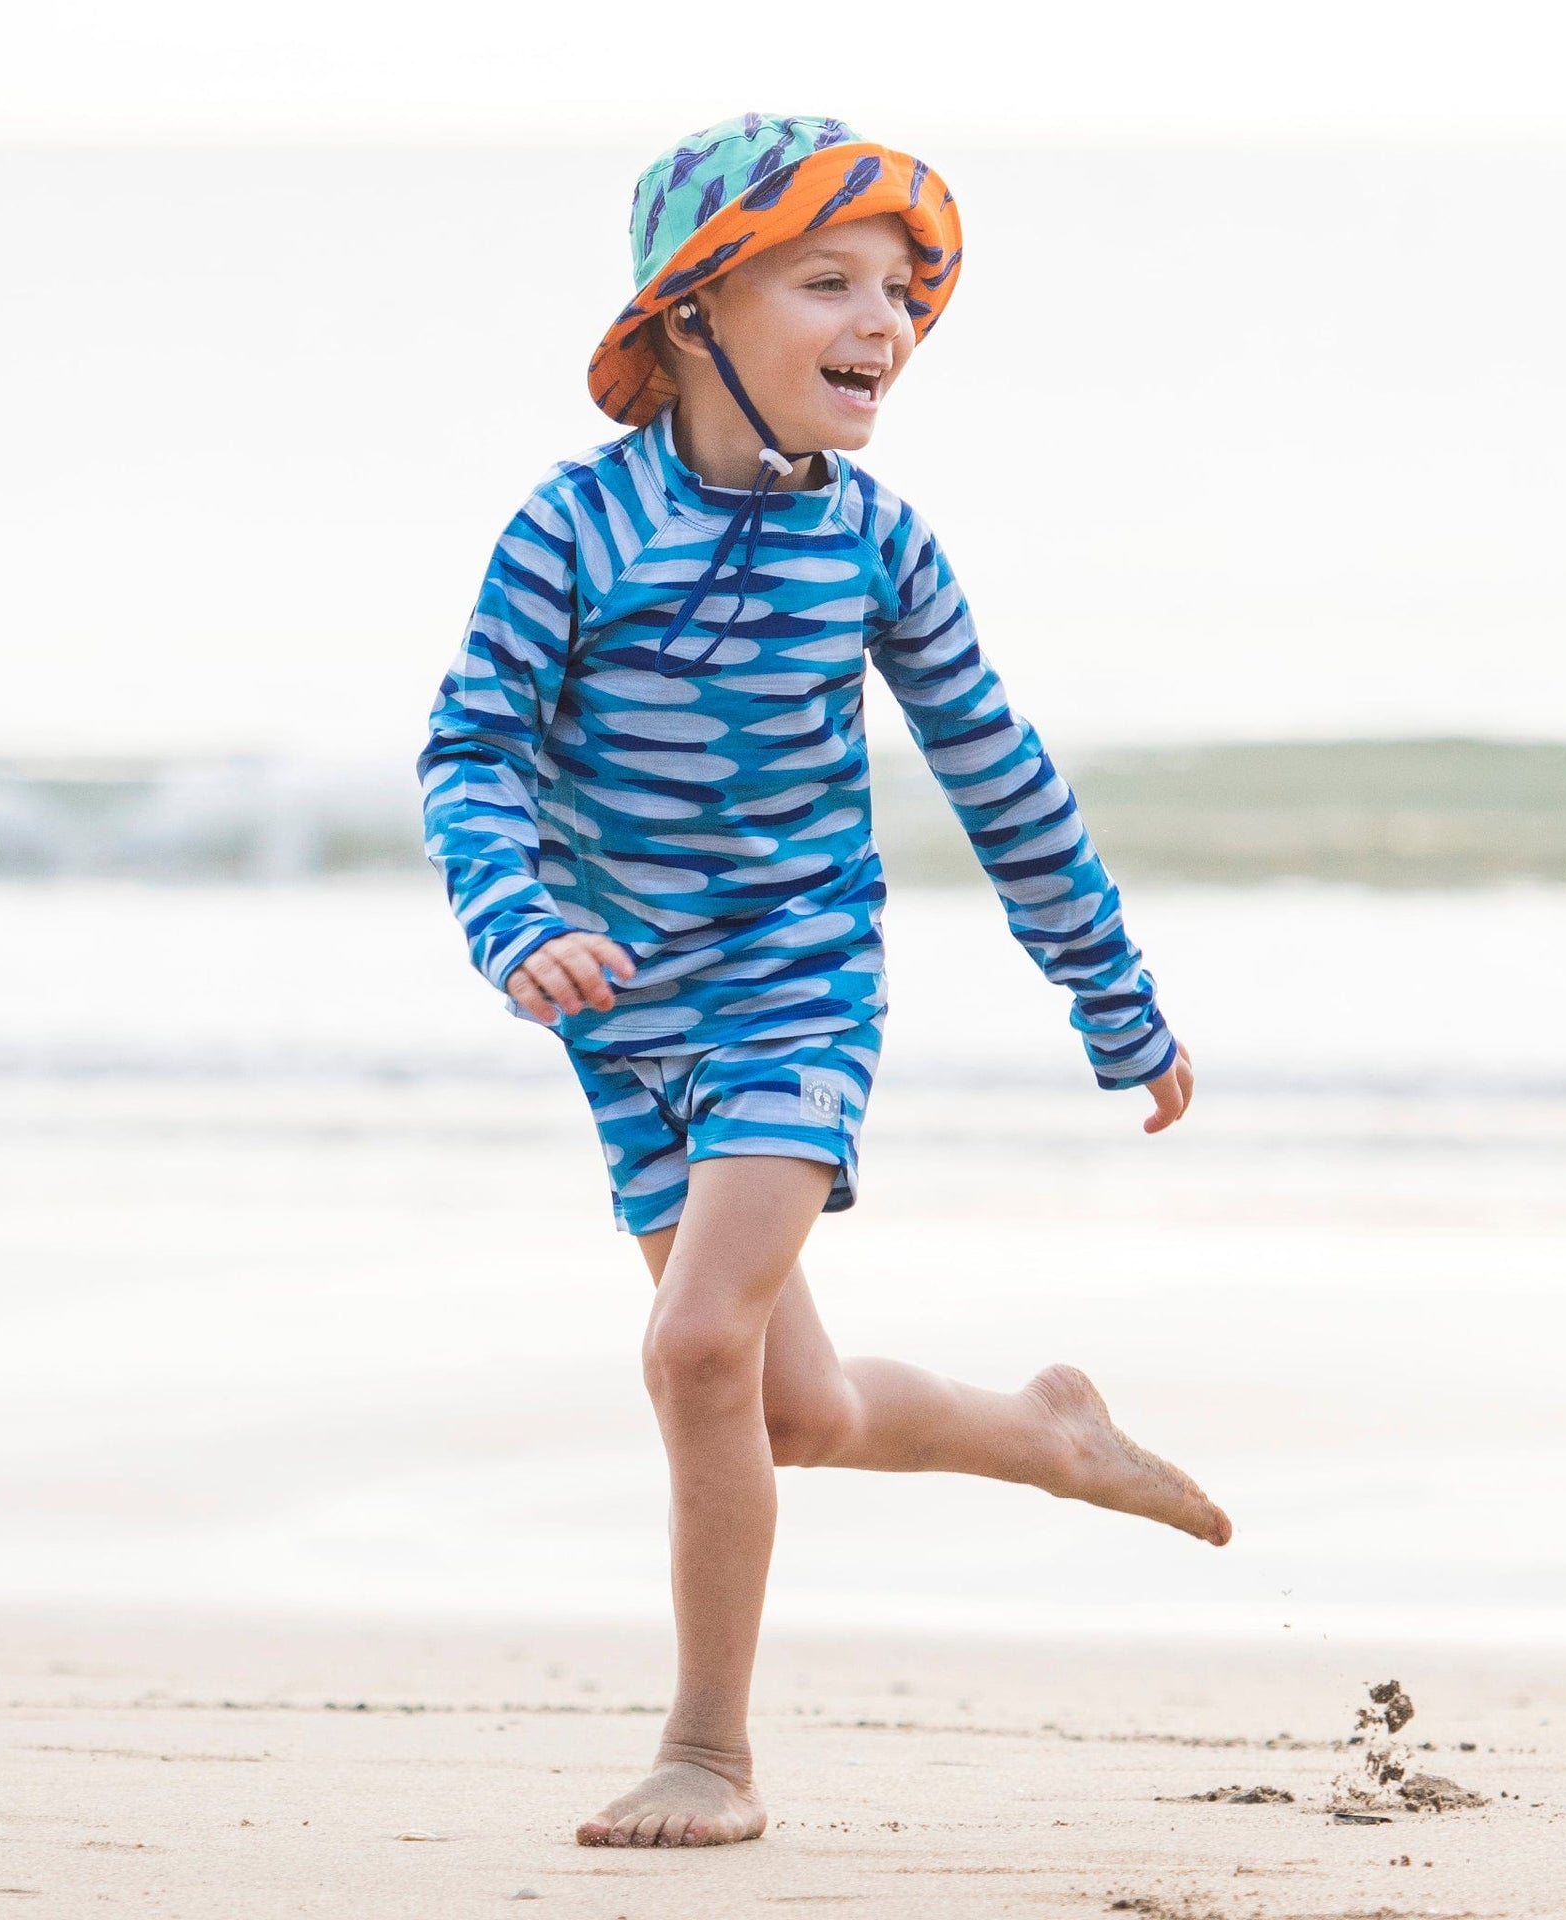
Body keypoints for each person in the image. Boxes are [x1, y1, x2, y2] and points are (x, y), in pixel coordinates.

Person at [417, 112, 1231, 1851]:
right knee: (791, 1407)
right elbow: (471, 752)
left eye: (903, 295)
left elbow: (1000, 773)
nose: (887, 325)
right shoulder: (571, 530)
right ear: (698, 304)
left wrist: (1111, 990)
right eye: (831, 283)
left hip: (798, 983)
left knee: (694, 1345)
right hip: (620, 1015)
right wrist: (515, 920)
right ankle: (1047, 1433)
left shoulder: (875, 541)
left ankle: (710, 1754)